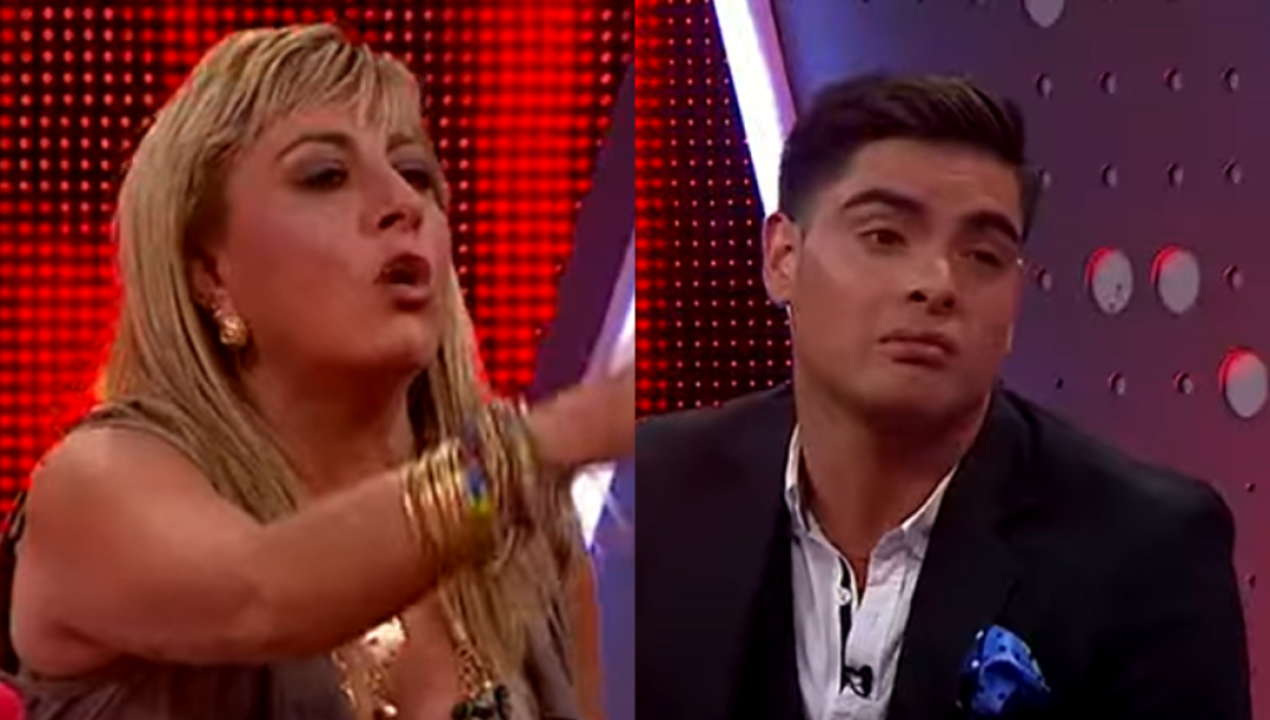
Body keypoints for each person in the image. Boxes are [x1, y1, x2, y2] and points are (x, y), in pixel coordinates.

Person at [1, 24, 632, 720]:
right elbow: (262, 593)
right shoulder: (93, 487)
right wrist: (546, 443)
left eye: (417, 173)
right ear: (211, 271)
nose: (403, 203)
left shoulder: (530, 547)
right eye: (325, 176)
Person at [637, 74, 1250, 720]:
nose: (937, 284)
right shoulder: (657, 491)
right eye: (884, 236)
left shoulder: (1146, 552)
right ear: (783, 257)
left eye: (982, 255)